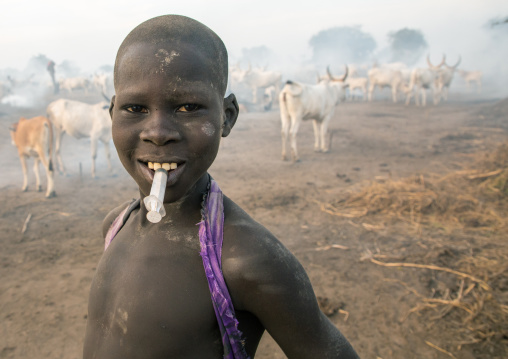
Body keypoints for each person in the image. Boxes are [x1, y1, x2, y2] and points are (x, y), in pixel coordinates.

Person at [83, 15, 359, 359]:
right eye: (135, 108)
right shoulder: (115, 225)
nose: (157, 132)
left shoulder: (247, 260)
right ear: (112, 113)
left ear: (226, 116)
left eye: (188, 107)